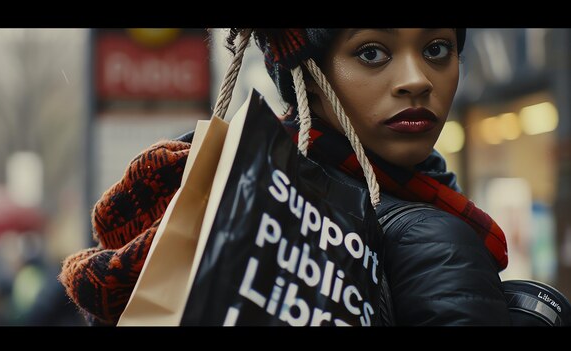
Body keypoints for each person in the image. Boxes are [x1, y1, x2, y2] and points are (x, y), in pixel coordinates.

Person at [60, 28, 511, 326]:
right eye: (372, 52)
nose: (416, 80)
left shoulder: (233, 202)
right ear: (309, 76)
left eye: (437, 49)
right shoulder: (435, 238)